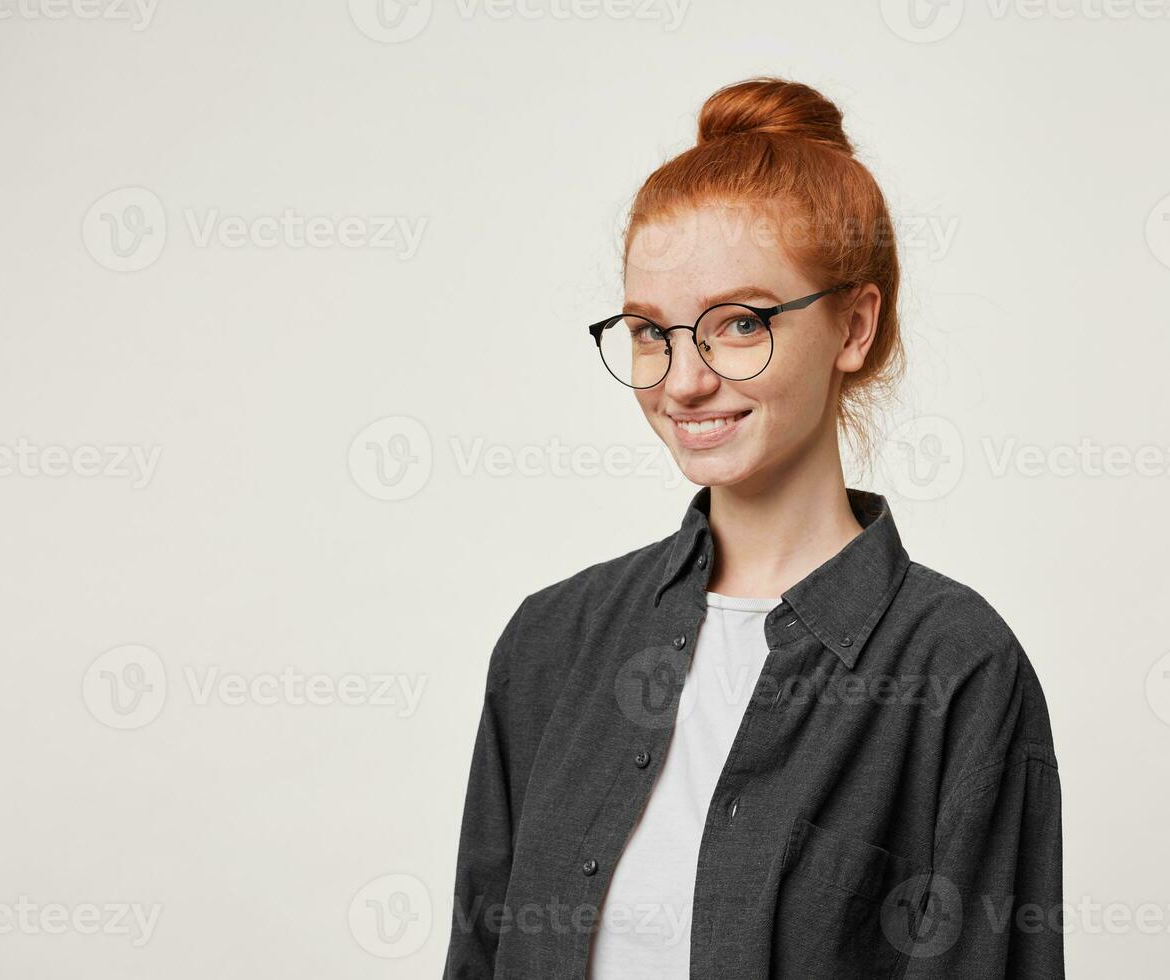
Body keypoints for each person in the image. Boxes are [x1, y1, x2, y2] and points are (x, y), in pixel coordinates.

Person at [442, 76, 1063, 980]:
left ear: (854, 326)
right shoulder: (550, 644)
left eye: (739, 323)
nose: (683, 380)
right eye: (652, 331)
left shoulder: (958, 669)